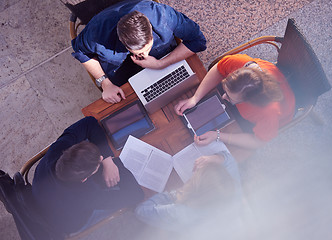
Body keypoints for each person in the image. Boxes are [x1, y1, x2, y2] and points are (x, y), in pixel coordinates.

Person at [71, 0, 207, 104]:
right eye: (138, 53)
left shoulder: (163, 16)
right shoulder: (96, 32)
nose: (145, 56)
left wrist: (161, 63)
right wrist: (105, 83)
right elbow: (81, 52)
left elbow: (198, 40)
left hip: (166, 64)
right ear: (122, 40)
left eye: (147, 49)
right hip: (123, 79)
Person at [32, 116, 144, 234]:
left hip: (43, 194)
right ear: (84, 179)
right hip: (69, 223)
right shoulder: (88, 195)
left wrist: (107, 160)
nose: (101, 157)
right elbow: (136, 195)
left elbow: (89, 122)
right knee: (121, 198)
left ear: (70, 149)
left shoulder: (57, 148)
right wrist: (115, 163)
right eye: (98, 162)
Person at [175, 54, 295, 152]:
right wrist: (195, 98)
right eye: (225, 90)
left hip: (267, 122)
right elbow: (218, 68)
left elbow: (259, 141)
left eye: (230, 98)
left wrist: (218, 136)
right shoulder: (240, 62)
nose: (223, 97)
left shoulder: (269, 113)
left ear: (249, 101)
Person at [135, 151, 242, 233]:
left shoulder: (182, 213)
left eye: (194, 177)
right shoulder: (230, 187)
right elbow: (229, 159)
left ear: (195, 192)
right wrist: (215, 158)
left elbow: (141, 211)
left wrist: (173, 195)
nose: (194, 173)